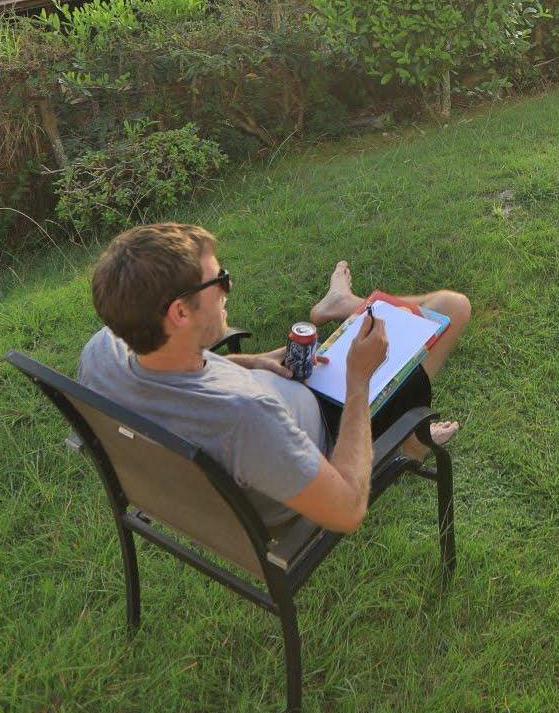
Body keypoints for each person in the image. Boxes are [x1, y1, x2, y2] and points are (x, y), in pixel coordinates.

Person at [80, 222, 470, 536]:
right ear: (180, 313)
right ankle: (408, 445)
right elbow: (347, 510)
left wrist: (252, 362)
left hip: (274, 426)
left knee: (439, 311)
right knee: (452, 308)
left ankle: (346, 307)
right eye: (220, 280)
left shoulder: (103, 351)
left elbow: (176, 386)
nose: (227, 289)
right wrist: (358, 380)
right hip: (319, 445)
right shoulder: (246, 416)